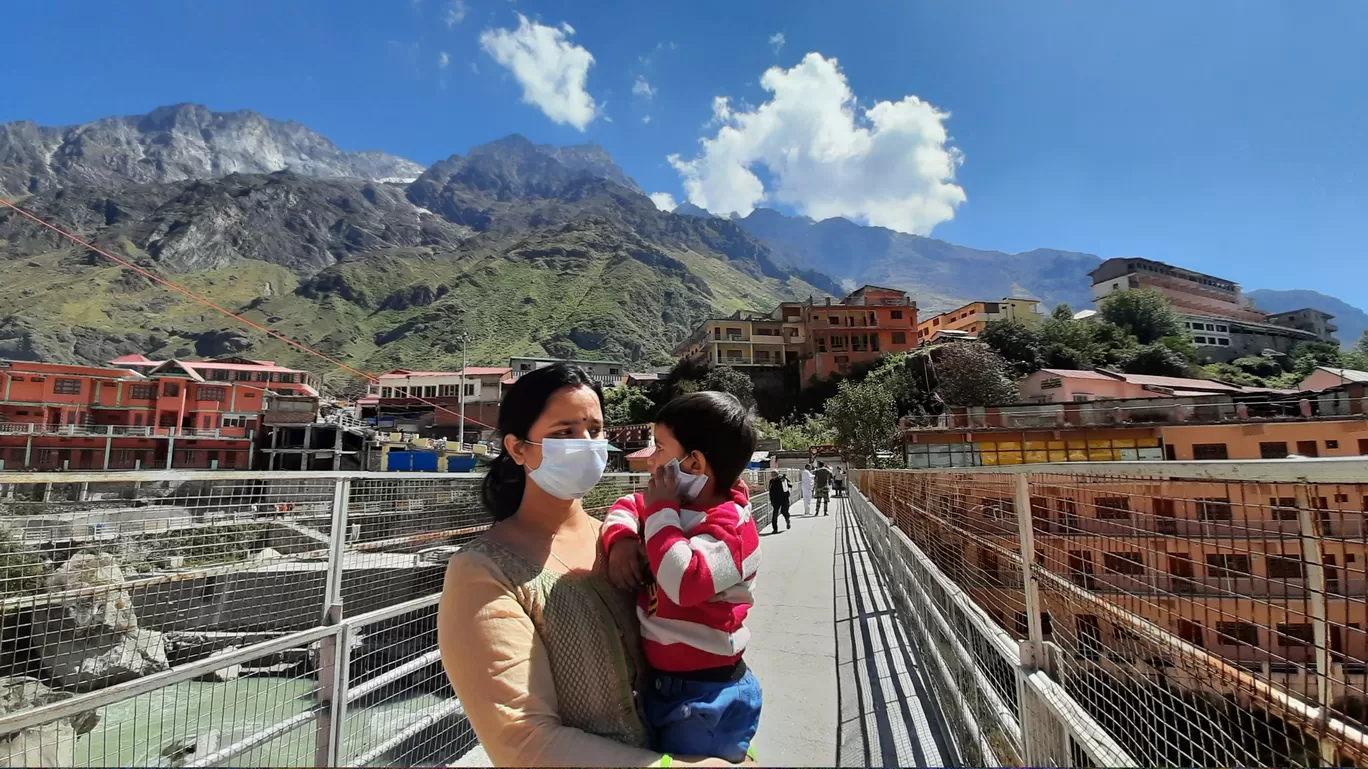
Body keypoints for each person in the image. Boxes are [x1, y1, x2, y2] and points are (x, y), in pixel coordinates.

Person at [437, 365, 738, 767]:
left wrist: (732, 739)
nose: (586, 443)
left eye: (595, 430)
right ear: (517, 448)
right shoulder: (484, 571)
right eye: (564, 432)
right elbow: (522, 742)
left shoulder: (637, 540)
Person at [601, 392, 763, 764]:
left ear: (693, 463)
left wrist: (659, 511)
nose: (652, 457)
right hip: (662, 685)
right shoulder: (677, 510)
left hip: (709, 695)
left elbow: (684, 580)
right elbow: (627, 506)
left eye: (659, 447)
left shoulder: (733, 530)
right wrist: (623, 540)